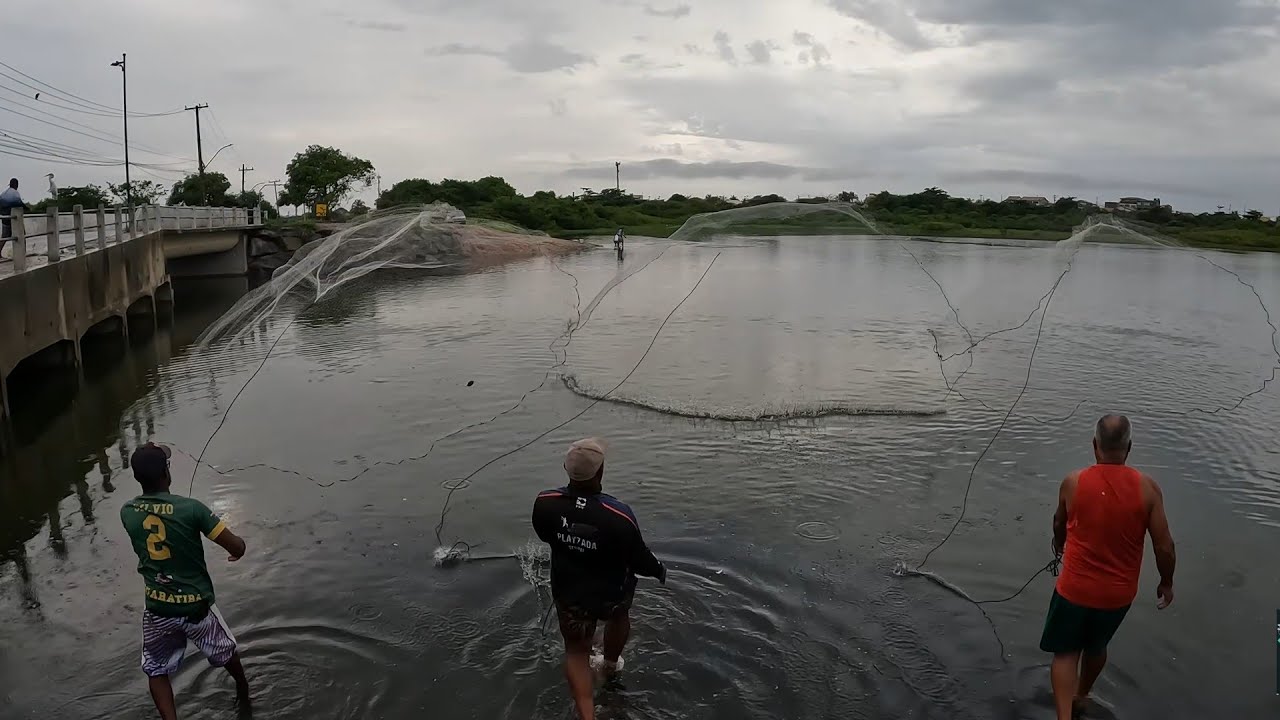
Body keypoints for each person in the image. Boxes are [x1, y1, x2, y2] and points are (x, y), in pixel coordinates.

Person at [1041, 415, 1176, 720]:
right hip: (1117, 595)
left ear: (1094, 446)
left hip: (1074, 590)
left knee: (1066, 653)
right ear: (1129, 447)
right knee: (1097, 645)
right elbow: (1164, 546)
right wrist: (1166, 582)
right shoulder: (1148, 489)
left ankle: (1064, 716)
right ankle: (1082, 696)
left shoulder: (1073, 482)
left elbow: (1059, 522)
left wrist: (1059, 544)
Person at [532, 438, 666, 720]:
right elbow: (640, 559)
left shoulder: (545, 503)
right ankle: (610, 665)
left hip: (570, 591)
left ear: (566, 469)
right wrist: (659, 570)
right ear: (600, 471)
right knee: (618, 618)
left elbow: (545, 534)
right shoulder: (619, 515)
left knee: (576, 652)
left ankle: (587, 715)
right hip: (611, 592)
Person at [119, 443, 251, 719]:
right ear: (166, 473)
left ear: (137, 477)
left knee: (156, 670)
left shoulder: (127, 511)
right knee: (227, 652)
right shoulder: (192, 509)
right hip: (196, 607)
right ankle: (243, 693)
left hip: (157, 609)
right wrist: (239, 550)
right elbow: (236, 546)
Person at [0, 178, 24, 258]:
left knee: (4, 237)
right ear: (16, 185)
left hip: (4, 218)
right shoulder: (15, 193)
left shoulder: (4, 193)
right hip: (14, 218)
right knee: (21, 234)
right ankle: (22, 253)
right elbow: (19, 204)